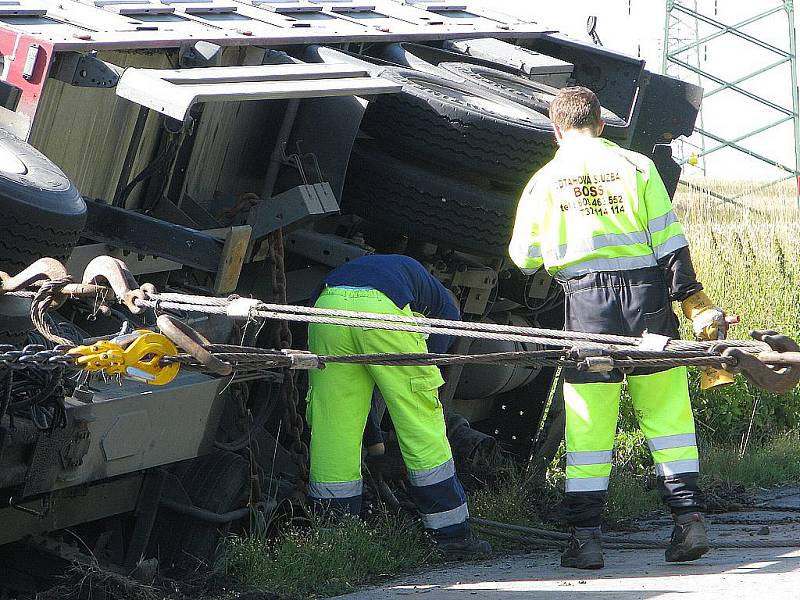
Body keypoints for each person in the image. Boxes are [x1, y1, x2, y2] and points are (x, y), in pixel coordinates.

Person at [509, 87, 735, 569]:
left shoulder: (545, 179)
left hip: (588, 308)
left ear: (556, 129)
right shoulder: (637, 167)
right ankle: (689, 521)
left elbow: (522, 257)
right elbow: (670, 243)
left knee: (589, 423)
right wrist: (694, 305)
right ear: (602, 125)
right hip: (648, 304)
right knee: (668, 417)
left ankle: (586, 539)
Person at [306, 254, 490, 558]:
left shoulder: (392, 270)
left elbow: (363, 395)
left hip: (326, 309)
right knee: (420, 421)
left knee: (333, 427)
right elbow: (424, 366)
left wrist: (375, 442)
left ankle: (334, 541)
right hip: (382, 312)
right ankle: (451, 537)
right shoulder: (446, 307)